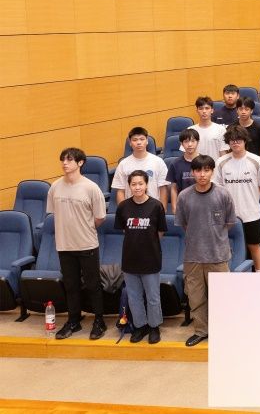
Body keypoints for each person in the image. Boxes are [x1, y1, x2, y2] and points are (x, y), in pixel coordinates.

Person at [48, 147, 108, 340]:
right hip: (64, 245)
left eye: (69, 159)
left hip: (87, 244)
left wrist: (85, 228)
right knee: (71, 286)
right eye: (63, 160)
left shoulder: (91, 188)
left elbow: (100, 217)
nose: (65, 163)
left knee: (93, 285)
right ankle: (74, 320)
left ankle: (99, 320)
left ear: (80, 163)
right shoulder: (55, 187)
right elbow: (54, 213)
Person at [174, 155, 234, 347]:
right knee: (196, 298)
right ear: (192, 172)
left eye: (206, 170)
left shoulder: (223, 194)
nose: (202, 174)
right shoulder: (184, 196)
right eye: (198, 170)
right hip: (193, 257)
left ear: (212, 172)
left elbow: (229, 222)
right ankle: (201, 331)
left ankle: (223, 331)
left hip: (218, 256)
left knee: (222, 298)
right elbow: (184, 224)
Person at [115, 171, 168, 344]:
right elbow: (125, 230)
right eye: (133, 184)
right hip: (130, 259)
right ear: (129, 186)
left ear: (146, 185)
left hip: (150, 259)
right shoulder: (123, 207)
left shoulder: (156, 206)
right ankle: (140, 326)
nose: (137, 187)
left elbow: (160, 232)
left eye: (140, 184)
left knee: (153, 297)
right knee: (134, 297)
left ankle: (154, 326)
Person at [215, 125, 260, 271]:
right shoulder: (221, 162)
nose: (235, 143)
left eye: (238, 140)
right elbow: (217, 188)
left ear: (245, 141)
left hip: (250, 213)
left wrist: (251, 197)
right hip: (228, 215)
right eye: (232, 140)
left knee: (254, 246)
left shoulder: (256, 160)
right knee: (229, 247)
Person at [112, 127, 170, 208]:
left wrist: (162, 210)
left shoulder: (158, 162)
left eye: (142, 139)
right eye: (135, 140)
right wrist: (124, 211)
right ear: (130, 143)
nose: (139, 142)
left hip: (153, 208)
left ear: (147, 141)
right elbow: (120, 191)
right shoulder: (123, 164)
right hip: (131, 208)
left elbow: (163, 188)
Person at [166, 128, 201, 213]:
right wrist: (174, 208)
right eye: (186, 141)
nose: (190, 144)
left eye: (193, 141)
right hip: (183, 206)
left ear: (198, 142)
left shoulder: (205, 162)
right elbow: (174, 188)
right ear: (181, 144)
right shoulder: (175, 163)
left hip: (202, 205)